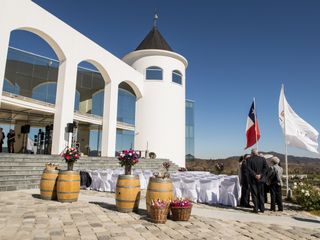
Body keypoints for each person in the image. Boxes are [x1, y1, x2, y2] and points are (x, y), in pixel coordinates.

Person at [246, 149, 268, 213]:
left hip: (252, 179)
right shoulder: (263, 159)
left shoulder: (248, 159)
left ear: (251, 153)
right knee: (261, 194)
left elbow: (248, 169)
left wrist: (255, 175)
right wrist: (260, 175)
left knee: (254, 194)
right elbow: (266, 168)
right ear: (257, 153)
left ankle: (256, 208)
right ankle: (262, 208)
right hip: (261, 179)